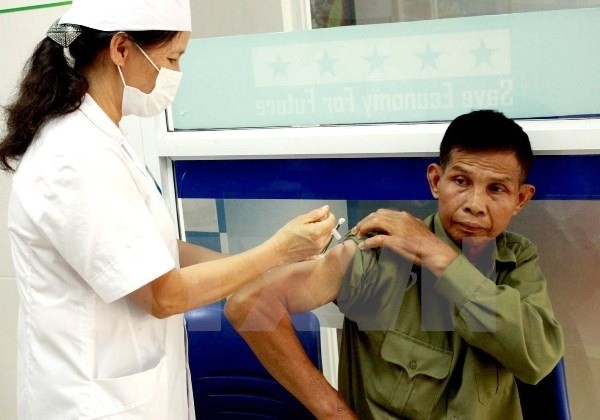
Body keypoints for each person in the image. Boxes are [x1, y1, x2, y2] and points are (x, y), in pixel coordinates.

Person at [0, 0, 336, 418]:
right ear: (121, 49)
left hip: (135, 393)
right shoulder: (74, 156)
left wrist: (266, 272)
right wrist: (277, 251)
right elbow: (163, 295)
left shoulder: (103, 138)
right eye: (171, 57)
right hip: (91, 405)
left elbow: (158, 249)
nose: (176, 73)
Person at [225, 110, 565, 419]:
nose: (475, 205)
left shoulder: (516, 259)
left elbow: (536, 359)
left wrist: (441, 257)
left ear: (520, 199)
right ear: (436, 181)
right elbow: (250, 304)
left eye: (496, 189)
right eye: (461, 182)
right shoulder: (383, 253)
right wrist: (332, 412)